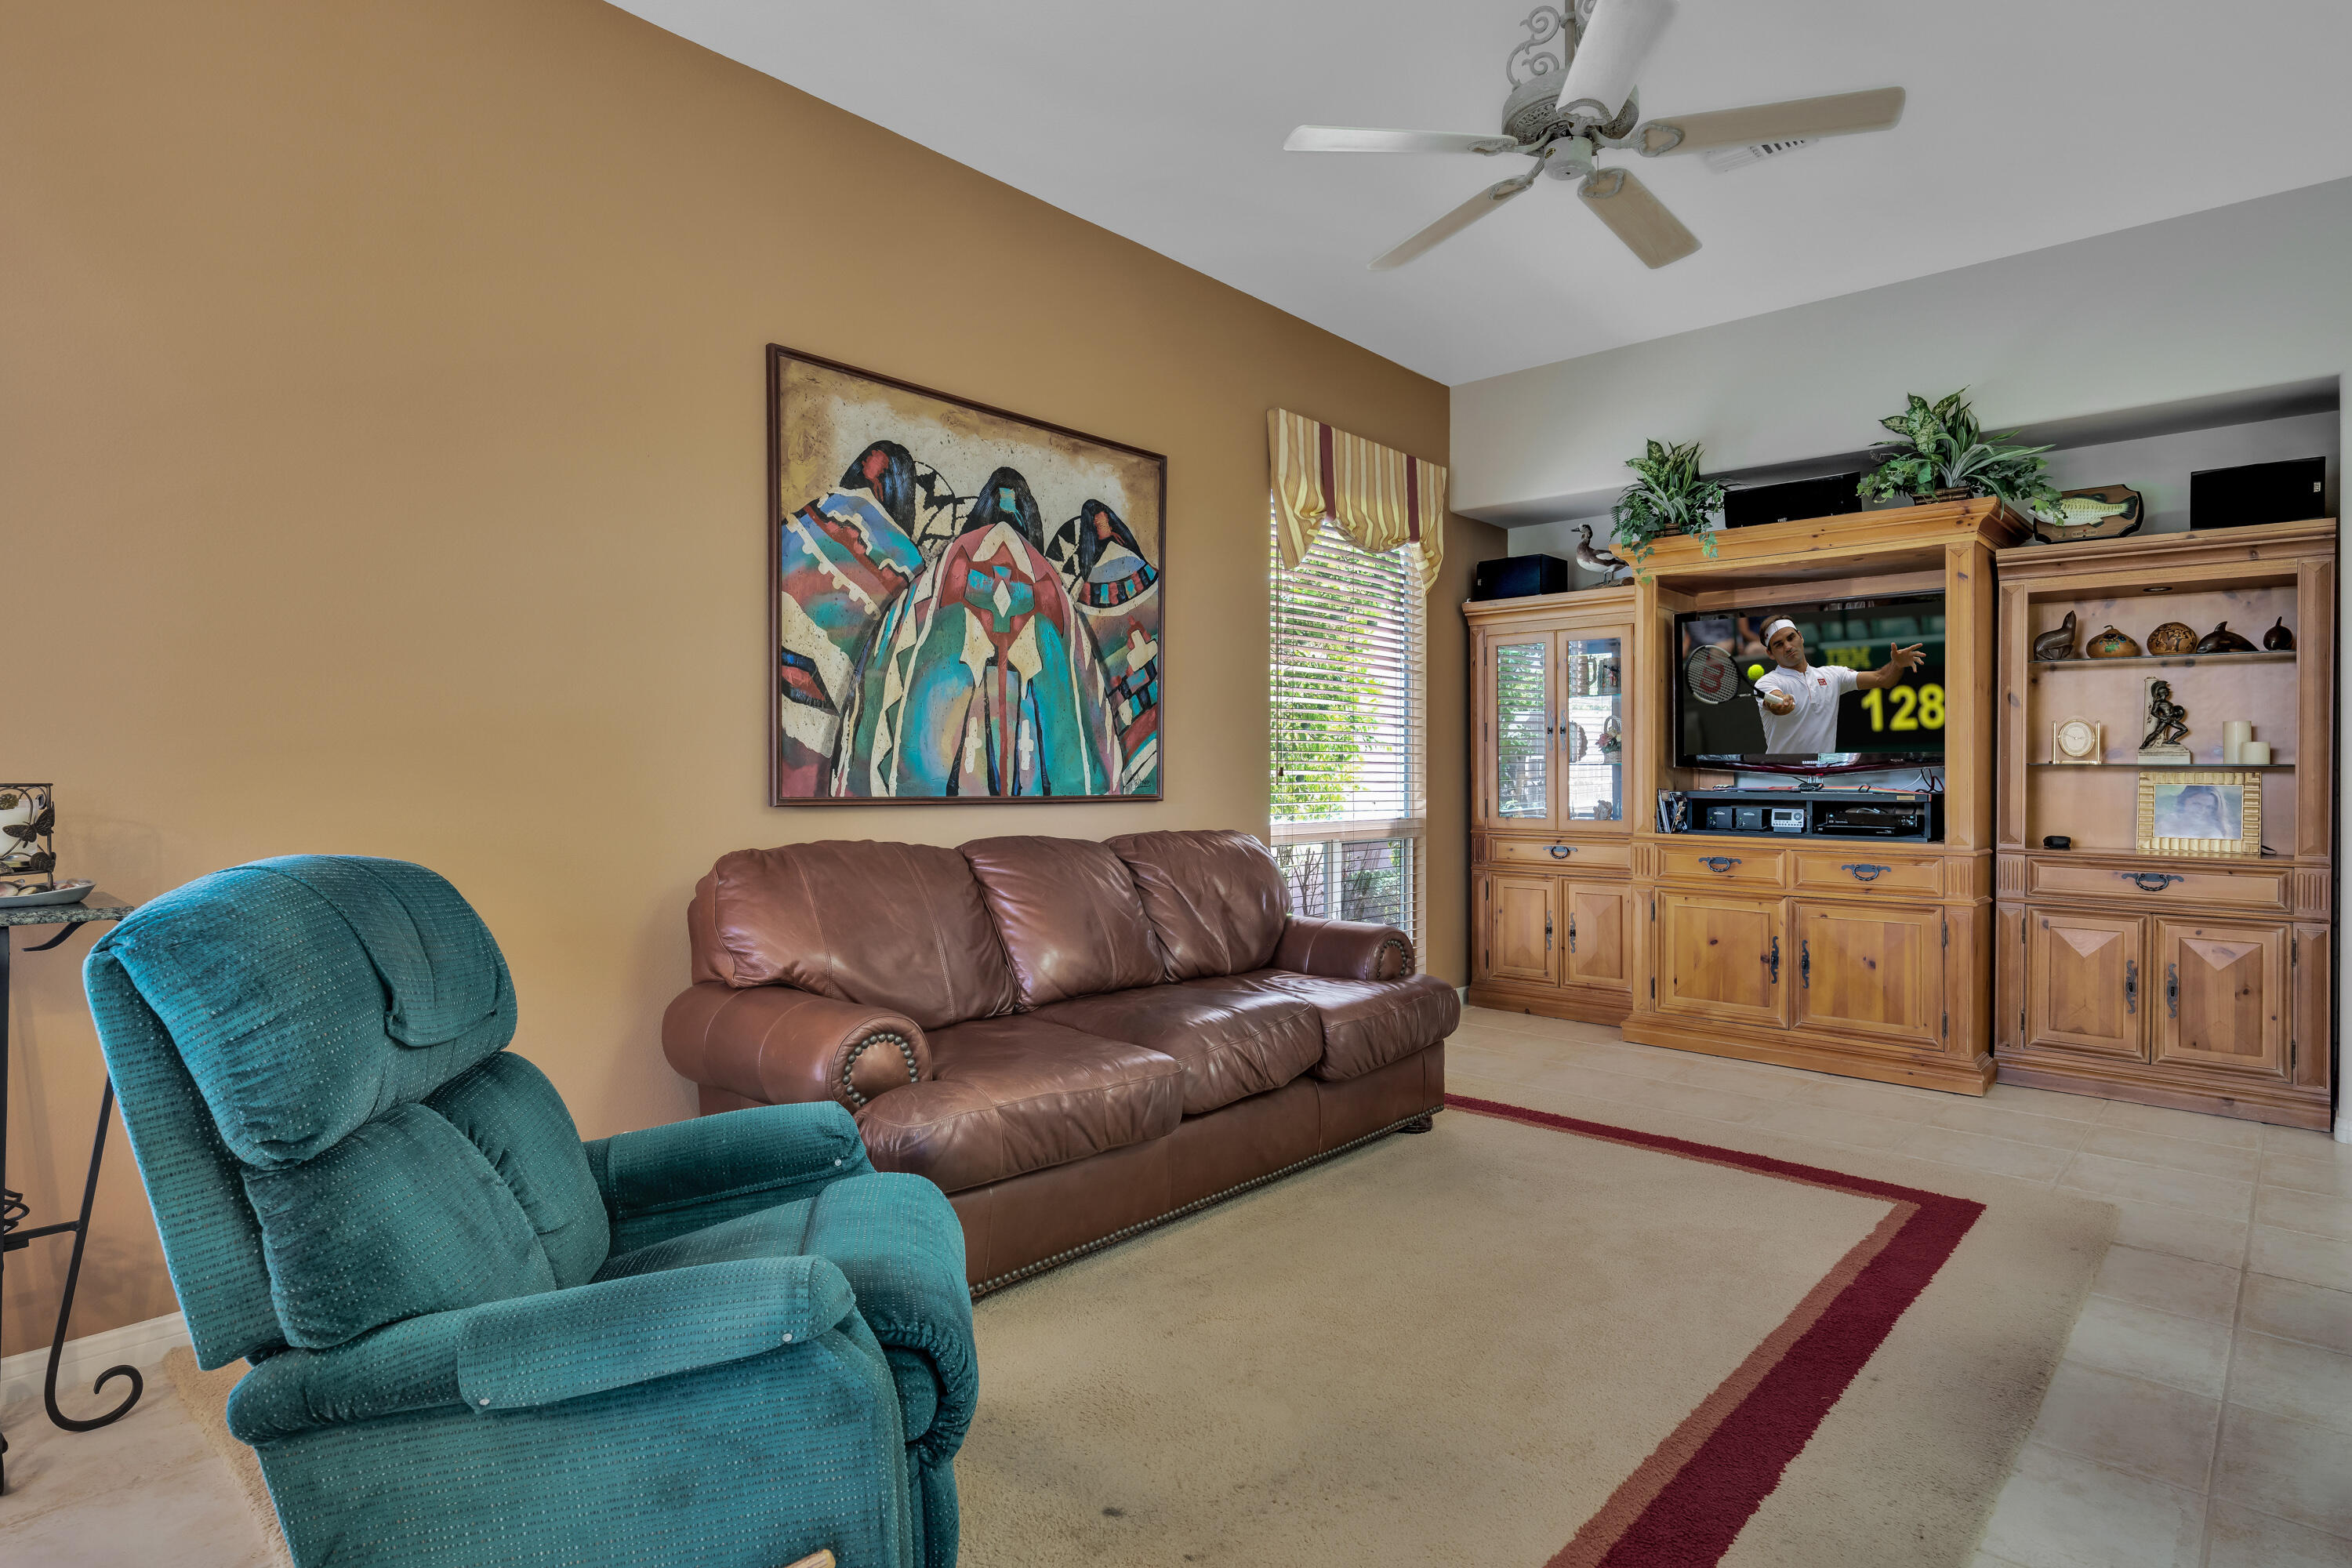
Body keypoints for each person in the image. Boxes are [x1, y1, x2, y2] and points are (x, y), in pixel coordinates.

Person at [1753, 617, 1926, 754]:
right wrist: (1781, 701)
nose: (1788, 646)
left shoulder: (1833, 675)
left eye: (1791, 638)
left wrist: (1897, 664)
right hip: (1780, 773)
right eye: (1779, 644)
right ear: (1770, 653)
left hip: (1824, 772)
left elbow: (1884, 679)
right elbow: (1774, 702)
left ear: (1801, 637)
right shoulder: (1768, 682)